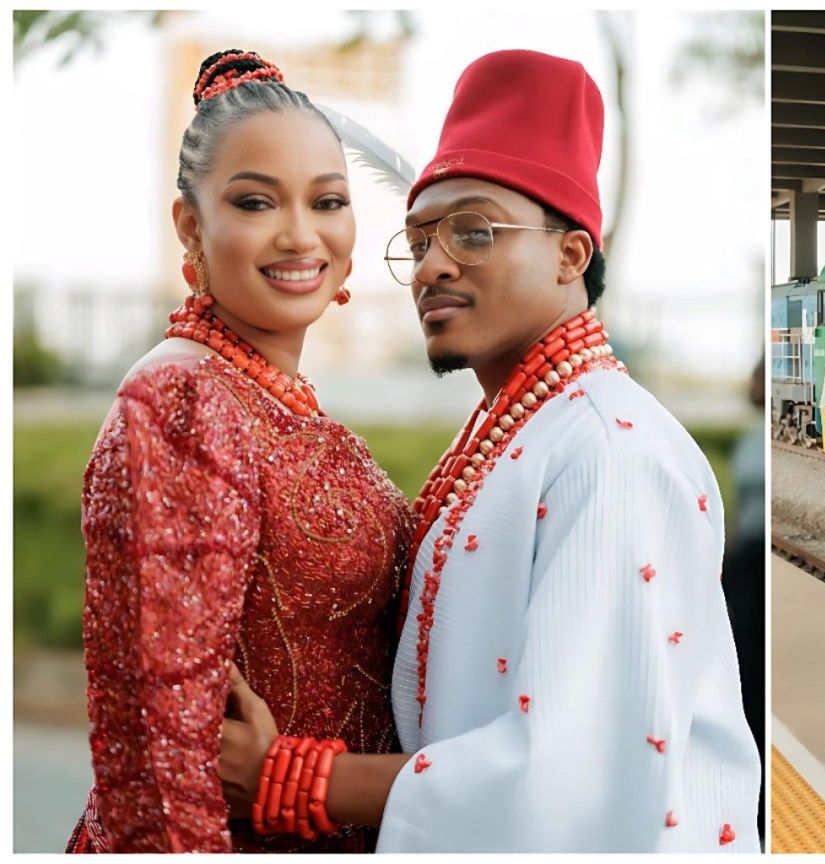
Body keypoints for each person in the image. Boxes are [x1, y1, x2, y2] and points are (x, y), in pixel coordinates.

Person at [216, 50, 761, 853]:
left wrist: (290, 780)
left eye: (473, 232)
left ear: (571, 255)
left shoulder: (607, 452)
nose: (432, 267)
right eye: (419, 241)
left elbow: (574, 772)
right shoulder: (520, 428)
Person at [69, 50, 408, 853]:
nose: (301, 234)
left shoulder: (265, 391)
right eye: (256, 201)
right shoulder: (184, 404)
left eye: (328, 201)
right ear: (190, 226)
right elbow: (160, 757)